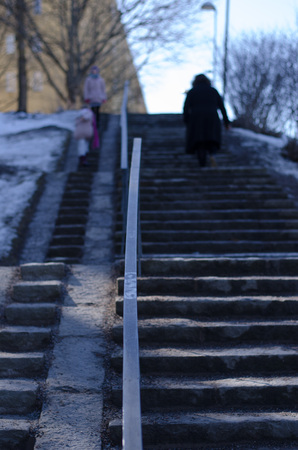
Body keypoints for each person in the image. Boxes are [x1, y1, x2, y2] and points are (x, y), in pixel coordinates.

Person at [183, 73, 230, 167]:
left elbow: (185, 107)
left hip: (196, 118)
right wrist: (226, 122)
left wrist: (187, 120)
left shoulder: (192, 91)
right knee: (211, 139)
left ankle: (202, 163)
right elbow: (222, 107)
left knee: (199, 141)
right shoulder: (213, 91)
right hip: (212, 117)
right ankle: (212, 154)